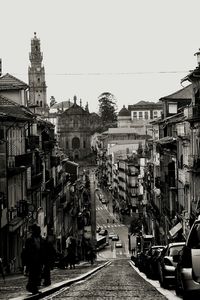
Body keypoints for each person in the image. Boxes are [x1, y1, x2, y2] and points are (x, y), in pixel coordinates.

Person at [24, 224, 45, 294]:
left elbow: (43, 250)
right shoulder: (29, 240)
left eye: (39, 230)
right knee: (33, 274)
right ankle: (32, 288)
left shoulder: (41, 239)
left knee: (38, 274)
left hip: (39, 260)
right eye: (38, 230)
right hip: (32, 260)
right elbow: (26, 251)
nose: (39, 232)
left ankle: (34, 287)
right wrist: (26, 262)